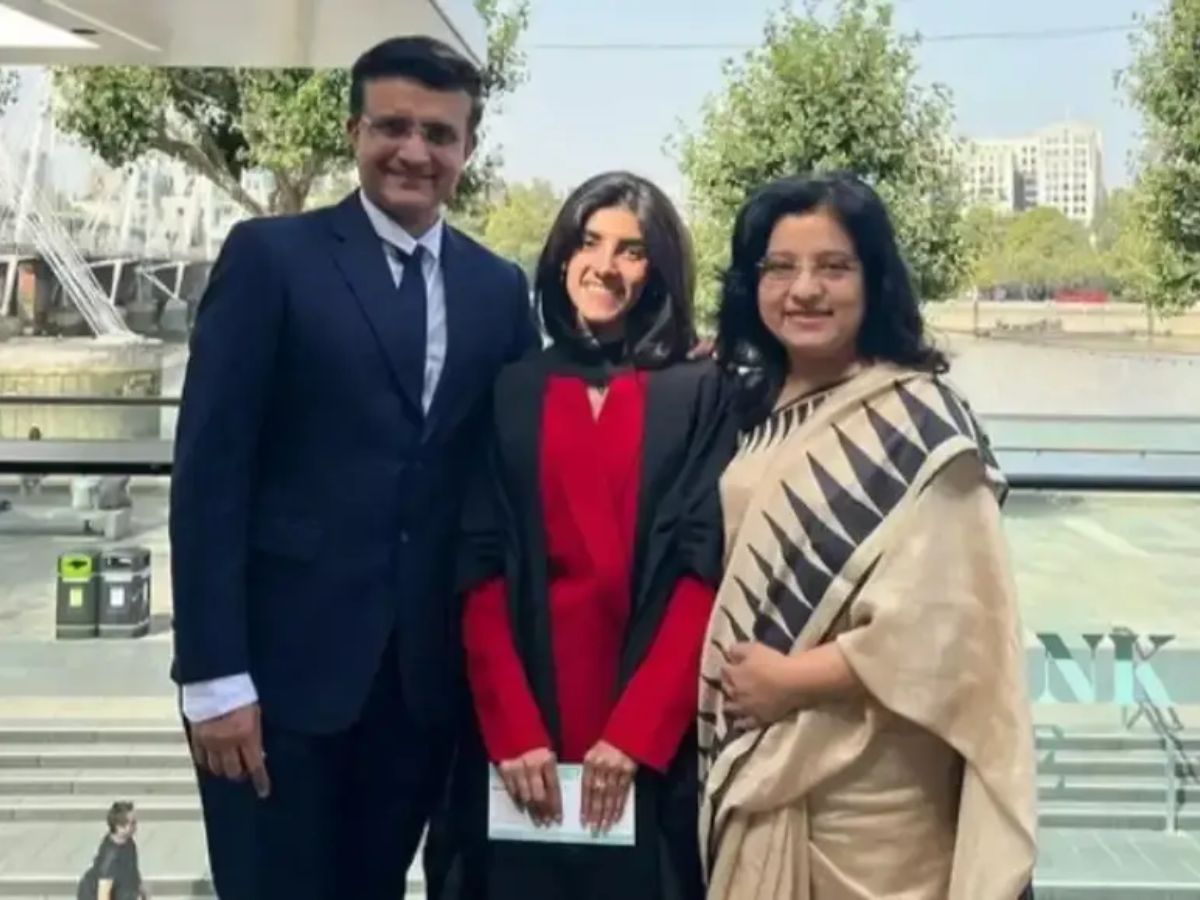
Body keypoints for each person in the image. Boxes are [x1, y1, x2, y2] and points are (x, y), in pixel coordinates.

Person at [168, 36, 537, 900]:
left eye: (439, 135)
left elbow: (507, 473)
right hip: (273, 686)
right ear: (354, 131)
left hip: (419, 693)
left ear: (468, 150)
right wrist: (213, 676)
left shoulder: (497, 289)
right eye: (393, 127)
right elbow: (211, 473)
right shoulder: (271, 258)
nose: (415, 151)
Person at [698, 173, 1036, 899]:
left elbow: (951, 626)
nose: (805, 289)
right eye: (780, 267)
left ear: (873, 279)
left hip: (878, 788)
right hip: (757, 752)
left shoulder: (922, 421)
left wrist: (790, 681)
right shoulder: (747, 405)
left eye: (833, 266)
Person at [442, 172, 736, 900]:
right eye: (589, 241)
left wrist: (638, 732)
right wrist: (511, 728)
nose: (605, 265)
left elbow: (704, 566)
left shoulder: (701, 392)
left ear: (659, 271)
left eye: (633, 252)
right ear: (562, 254)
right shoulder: (511, 389)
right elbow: (479, 569)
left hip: (652, 740)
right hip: (522, 733)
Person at [76, 802, 147, 900]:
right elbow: (103, 894)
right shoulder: (110, 858)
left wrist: (143, 892)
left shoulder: (128, 842)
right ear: (120, 827)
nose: (136, 826)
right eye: (133, 822)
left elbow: (133, 871)